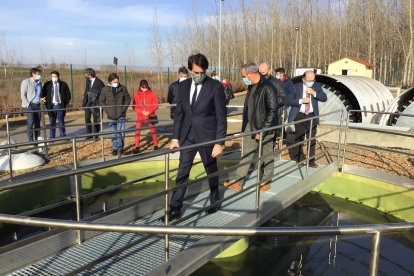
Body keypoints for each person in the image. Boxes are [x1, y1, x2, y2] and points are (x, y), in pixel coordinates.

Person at [162, 53, 227, 222]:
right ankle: (175, 209)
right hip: (187, 137)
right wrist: (175, 137)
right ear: (190, 70)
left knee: (211, 170)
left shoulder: (215, 87)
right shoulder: (183, 87)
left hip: (208, 137)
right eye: (195, 72)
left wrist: (219, 142)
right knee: (182, 172)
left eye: (202, 72)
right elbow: (179, 114)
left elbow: (221, 117)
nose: (199, 75)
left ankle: (215, 201)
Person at [224, 62, 278, 192]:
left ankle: (266, 181)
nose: (244, 78)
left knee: (267, 155)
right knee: (247, 153)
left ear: (251, 74)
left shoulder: (267, 87)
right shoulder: (251, 86)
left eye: (244, 76)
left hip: (264, 127)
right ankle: (238, 182)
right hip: (251, 126)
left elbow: (273, 110)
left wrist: (263, 131)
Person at [286, 70, 327, 168]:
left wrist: (314, 93)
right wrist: (301, 101)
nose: (311, 82)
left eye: (313, 80)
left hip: (311, 115)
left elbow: (324, 98)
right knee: (299, 138)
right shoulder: (296, 87)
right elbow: (288, 100)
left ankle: (311, 161)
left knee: (311, 139)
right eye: (309, 80)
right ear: (303, 79)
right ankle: (299, 159)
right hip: (299, 115)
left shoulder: (316, 86)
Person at [99, 73, 131, 157]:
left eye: (117, 81)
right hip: (111, 115)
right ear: (110, 81)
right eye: (114, 82)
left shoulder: (123, 88)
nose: (116, 83)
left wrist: (123, 109)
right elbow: (101, 101)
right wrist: (107, 110)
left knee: (121, 132)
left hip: (121, 114)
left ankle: (120, 148)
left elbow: (128, 99)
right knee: (113, 133)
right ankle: (114, 148)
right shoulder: (105, 89)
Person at [41, 71, 71, 138]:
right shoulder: (47, 84)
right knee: (52, 122)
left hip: (60, 106)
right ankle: (52, 137)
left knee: (61, 121)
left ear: (58, 77)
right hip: (51, 106)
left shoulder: (63, 84)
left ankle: (63, 135)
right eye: (52, 76)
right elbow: (43, 95)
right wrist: (46, 104)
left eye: (55, 76)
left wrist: (64, 102)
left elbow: (68, 95)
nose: (54, 78)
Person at [133, 79, 159, 154]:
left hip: (150, 116)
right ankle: (137, 147)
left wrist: (149, 112)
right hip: (140, 116)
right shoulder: (137, 94)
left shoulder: (152, 94)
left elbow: (156, 105)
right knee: (137, 131)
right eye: (143, 88)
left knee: (153, 130)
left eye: (146, 88)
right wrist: (141, 111)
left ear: (148, 86)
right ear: (140, 87)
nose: (144, 89)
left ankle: (155, 145)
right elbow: (134, 107)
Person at [82, 68, 105, 140]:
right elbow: (86, 92)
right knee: (87, 119)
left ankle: (96, 134)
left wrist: (101, 104)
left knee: (96, 120)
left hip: (96, 104)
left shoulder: (99, 82)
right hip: (88, 104)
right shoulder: (87, 81)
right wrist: (84, 103)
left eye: (86, 74)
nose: (85, 75)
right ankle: (89, 134)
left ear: (90, 74)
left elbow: (102, 94)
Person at [20, 67, 43, 142]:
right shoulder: (26, 82)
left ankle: (37, 139)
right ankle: (31, 140)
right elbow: (23, 95)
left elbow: (40, 94)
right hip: (30, 105)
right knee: (30, 122)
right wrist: (28, 105)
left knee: (37, 123)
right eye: (38, 74)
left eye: (40, 74)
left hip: (38, 105)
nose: (39, 75)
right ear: (33, 74)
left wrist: (41, 99)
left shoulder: (39, 83)